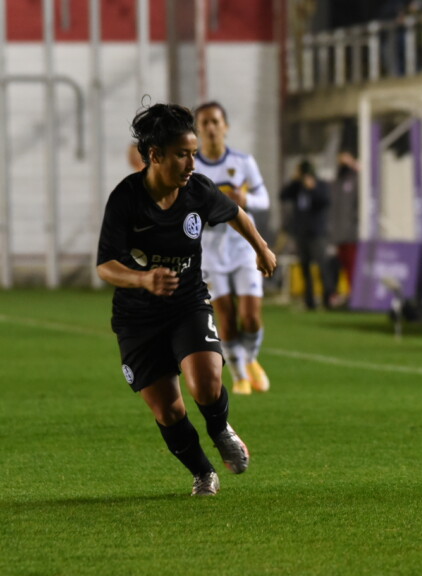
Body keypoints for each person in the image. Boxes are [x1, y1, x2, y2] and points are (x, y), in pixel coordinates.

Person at [96, 103, 277, 496]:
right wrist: (143, 280)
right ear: (155, 155)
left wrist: (262, 248)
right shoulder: (126, 199)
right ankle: (202, 472)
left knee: (207, 384)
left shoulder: (197, 190)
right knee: (169, 410)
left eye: (193, 153)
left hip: (187, 303)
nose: (192, 162)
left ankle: (220, 429)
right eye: (183, 154)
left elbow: (237, 214)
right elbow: (106, 265)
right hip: (137, 318)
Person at [193, 101, 272, 396]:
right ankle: (240, 376)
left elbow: (264, 199)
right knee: (225, 315)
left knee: (250, 315)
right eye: (205, 123)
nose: (211, 128)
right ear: (198, 130)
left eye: (216, 121)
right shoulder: (193, 166)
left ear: (225, 126)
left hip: (242, 246)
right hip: (210, 250)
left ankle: (250, 360)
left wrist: (246, 200)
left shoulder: (242, 161)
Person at [280, 159, 332, 310]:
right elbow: (283, 195)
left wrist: (313, 188)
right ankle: (309, 301)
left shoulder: (320, 184)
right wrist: (293, 181)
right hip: (301, 233)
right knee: (305, 267)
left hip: (317, 233)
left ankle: (327, 299)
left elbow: (325, 201)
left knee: (322, 265)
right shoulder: (297, 187)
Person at [329, 150, 360, 308]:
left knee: (353, 267)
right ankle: (343, 296)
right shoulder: (337, 182)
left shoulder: (356, 179)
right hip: (338, 233)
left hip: (352, 234)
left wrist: (356, 167)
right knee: (340, 266)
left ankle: (355, 296)